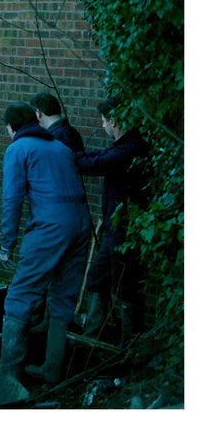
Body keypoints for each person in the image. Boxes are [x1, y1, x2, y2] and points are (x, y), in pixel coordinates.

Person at [0, 102, 91, 383]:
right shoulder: (62, 148)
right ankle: (52, 370)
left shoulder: (18, 149)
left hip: (51, 226)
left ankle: (8, 378)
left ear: (12, 127)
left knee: (19, 297)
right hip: (81, 224)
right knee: (62, 299)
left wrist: (7, 244)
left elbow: (12, 199)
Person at [75, 97, 149, 345]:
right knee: (108, 279)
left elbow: (99, 161)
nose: (102, 125)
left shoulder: (130, 148)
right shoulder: (127, 145)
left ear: (114, 121)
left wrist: (68, 159)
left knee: (115, 282)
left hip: (124, 230)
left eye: (104, 121)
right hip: (120, 227)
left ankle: (117, 343)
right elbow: (101, 155)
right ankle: (106, 339)